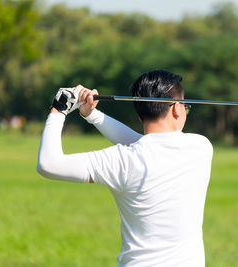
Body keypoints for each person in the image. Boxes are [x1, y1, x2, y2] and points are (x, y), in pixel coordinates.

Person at [37, 70, 213, 266]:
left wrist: (58, 110)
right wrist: (92, 115)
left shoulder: (122, 159)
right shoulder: (201, 147)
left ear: (139, 115)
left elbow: (48, 164)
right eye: (185, 106)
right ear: (176, 110)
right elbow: (150, 145)